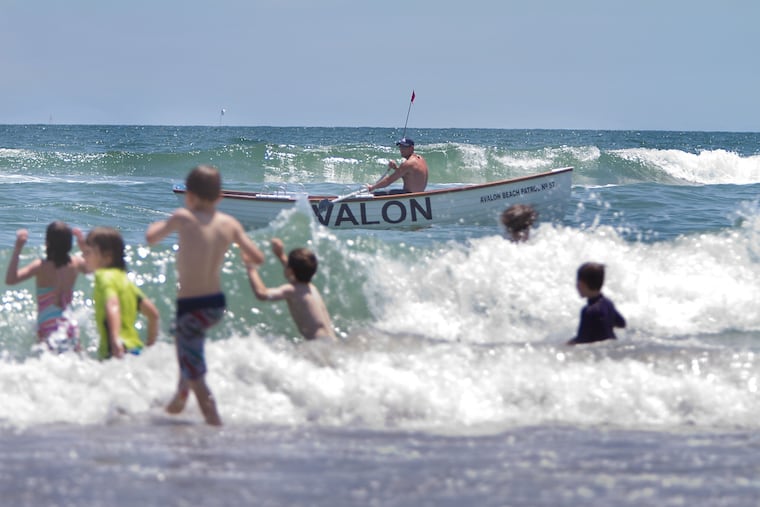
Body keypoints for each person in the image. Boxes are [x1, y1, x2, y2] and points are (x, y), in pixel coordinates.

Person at [146, 164, 265, 426]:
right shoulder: (229, 224)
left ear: (189, 195)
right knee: (185, 347)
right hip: (214, 304)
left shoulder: (183, 217)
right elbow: (257, 256)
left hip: (191, 306)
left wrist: (159, 225)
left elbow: (151, 237)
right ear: (220, 197)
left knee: (195, 368)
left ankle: (213, 420)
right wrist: (247, 260)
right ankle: (179, 397)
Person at [4, 222, 89, 352]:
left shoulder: (40, 266)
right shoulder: (76, 263)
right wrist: (84, 249)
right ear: (69, 244)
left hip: (47, 325)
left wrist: (18, 248)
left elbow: (11, 279)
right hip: (69, 324)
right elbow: (95, 271)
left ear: (47, 243)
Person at [81, 226, 159, 359]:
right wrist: (150, 345)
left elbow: (113, 304)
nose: (83, 255)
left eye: (89, 252)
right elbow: (153, 314)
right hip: (135, 350)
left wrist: (115, 339)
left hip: (116, 351)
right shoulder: (124, 280)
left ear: (107, 257)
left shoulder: (103, 276)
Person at [243, 238, 337, 342]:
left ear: (290, 270)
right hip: (331, 341)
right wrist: (280, 254)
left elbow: (262, 293)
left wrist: (250, 267)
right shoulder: (310, 287)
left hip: (319, 346)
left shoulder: (292, 290)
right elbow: (295, 272)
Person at [567, 262, 626, 345]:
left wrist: (567, 345)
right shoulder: (608, 303)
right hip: (611, 346)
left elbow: (582, 340)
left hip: (597, 352)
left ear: (581, 284)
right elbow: (622, 323)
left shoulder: (588, 311)